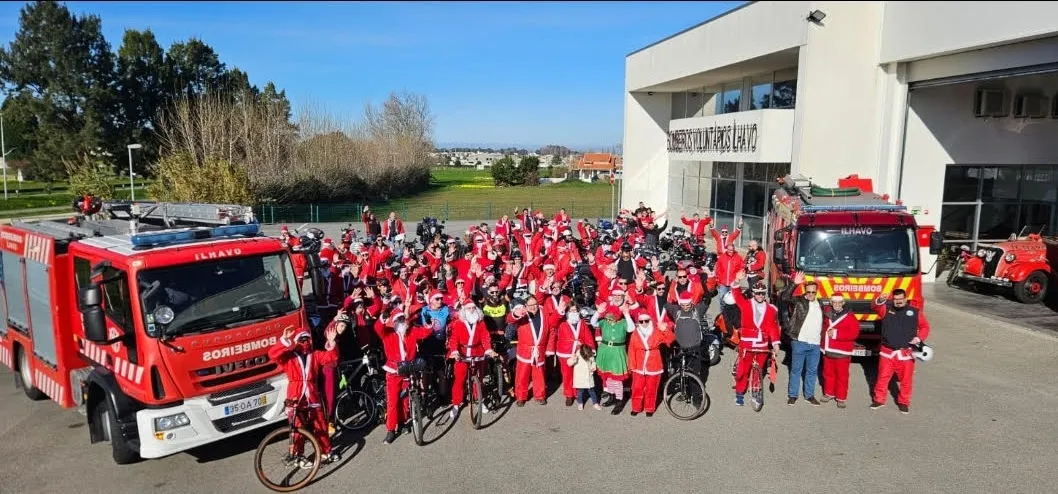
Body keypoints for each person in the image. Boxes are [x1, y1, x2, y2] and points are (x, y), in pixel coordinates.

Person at [268, 325, 341, 465]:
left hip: (312, 394)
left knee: (320, 425)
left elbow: (332, 358)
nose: (305, 341)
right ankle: (298, 456)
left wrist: (332, 342)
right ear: (296, 340)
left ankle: (326, 452)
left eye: (307, 338)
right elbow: (272, 354)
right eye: (301, 339)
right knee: (297, 427)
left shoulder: (315, 355)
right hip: (295, 395)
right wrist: (284, 341)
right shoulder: (288, 357)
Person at [374, 304, 434, 444]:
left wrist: (429, 324)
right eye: (398, 319)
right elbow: (378, 328)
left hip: (409, 369)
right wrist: (383, 316)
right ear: (394, 322)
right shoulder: (388, 334)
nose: (402, 322)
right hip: (393, 372)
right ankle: (390, 429)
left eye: (403, 319)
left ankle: (403, 422)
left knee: (405, 400)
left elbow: (424, 332)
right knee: (393, 401)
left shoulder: (411, 331)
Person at [725, 271, 781, 408]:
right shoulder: (745, 305)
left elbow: (773, 328)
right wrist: (737, 280)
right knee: (742, 371)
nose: (760, 296)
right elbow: (736, 295)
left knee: (759, 370)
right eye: (757, 293)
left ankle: (756, 392)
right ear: (753, 293)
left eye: (762, 293)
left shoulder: (771, 310)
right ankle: (739, 393)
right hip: (747, 343)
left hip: (762, 345)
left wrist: (775, 343)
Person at [871, 289, 931, 414]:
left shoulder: (915, 312)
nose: (898, 302)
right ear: (893, 299)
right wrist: (880, 299)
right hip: (887, 352)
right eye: (896, 299)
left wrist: (919, 338)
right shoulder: (886, 309)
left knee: (906, 381)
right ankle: (879, 400)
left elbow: (925, 326)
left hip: (906, 353)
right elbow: (875, 306)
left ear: (905, 298)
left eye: (901, 299)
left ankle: (904, 402)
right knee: (882, 378)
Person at [448, 302, 499, 419]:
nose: (471, 310)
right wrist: (455, 351)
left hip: (478, 353)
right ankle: (456, 404)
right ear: (464, 310)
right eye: (468, 308)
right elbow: (454, 338)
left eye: (473, 308)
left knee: (479, 378)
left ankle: (479, 400)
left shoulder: (480, 323)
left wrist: (488, 349)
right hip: (462, 354)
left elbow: (485, 337)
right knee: (459, 380)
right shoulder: (458, 323)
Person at [781, 271, 826, 406]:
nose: (810, 294)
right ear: (805, 292)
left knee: (812, 371)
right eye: (808, 292)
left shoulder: (821, 304)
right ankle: (793, 395)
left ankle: (809, 395)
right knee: (796, 370)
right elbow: (785, 297)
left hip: (815, 344)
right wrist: (794, 284)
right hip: (799, 341)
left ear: (816, 292)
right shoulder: (799, 301)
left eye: (813, 292)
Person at [507, 296, 557, 406]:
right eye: (530, 305)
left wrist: (550, 348)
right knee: (522, 375)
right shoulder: (522, 314)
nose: (533, 307)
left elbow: (552, 330)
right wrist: (516, 314)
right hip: (525, 350)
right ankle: (520, 396)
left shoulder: (544, 313)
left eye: (535, 304)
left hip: (539, 350)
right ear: (526, 306)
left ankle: (540, 395)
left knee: (539, 375)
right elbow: (510, 319)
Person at [591, 292, 634, 415]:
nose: (611, 318)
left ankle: (619, 400)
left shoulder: (622, 323)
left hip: (617, 351)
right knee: (608, 376)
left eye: (614, 315)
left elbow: (631, 328)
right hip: (605, 350)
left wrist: (626, 314)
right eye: (610, 315)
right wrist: (598, 312)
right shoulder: (604, 322)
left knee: (617, 378)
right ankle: (612, 396)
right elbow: (593, 323)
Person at [627, 312, 676, 417]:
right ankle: (636, 407)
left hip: (654, 363)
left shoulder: (657, 331)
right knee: (637, 388)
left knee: (651, 388)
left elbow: (671, 339)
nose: (644, 323)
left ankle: (649, 408)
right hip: (639, 364)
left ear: (650, 321)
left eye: (646, 321)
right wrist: (632, 365)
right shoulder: (635, 333)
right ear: (638, 322)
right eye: (641, 321)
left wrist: (665, 329)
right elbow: (631, 350)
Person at [820, 294, 861, 409]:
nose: (837, 305)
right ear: (831, 303)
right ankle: (829, 393)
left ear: (843, 303)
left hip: (842, 352)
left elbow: (854, 333)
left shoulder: (850, 316)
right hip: (828, 350)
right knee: (828, 373)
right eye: (834, 302)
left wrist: (836, 334)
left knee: (842, 376)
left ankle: (841, 397)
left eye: (839, 302)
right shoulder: (827, 313)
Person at [552, 303, 596, 406]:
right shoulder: (561, 322)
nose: (573, 312)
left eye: (575, 310)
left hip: (579, 352)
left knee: (579, 373)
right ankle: (569, 395)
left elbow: (588, 337)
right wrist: (559, 311)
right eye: (571, 310)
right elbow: (552, 322)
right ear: (567, 312)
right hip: (565, 352)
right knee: (567, 374)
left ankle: (577, 394)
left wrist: (590, 350)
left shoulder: (582, 323)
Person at [567, 344, 601, 411]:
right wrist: (573, 359)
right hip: (580, 378)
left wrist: (593, 366)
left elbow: (593, 362)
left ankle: (595, 403)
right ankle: (580, 403)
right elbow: (569, 363)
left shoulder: (589, 353)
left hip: (588, 377)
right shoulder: (577, 355)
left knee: (592, 391)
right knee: (580, 392)